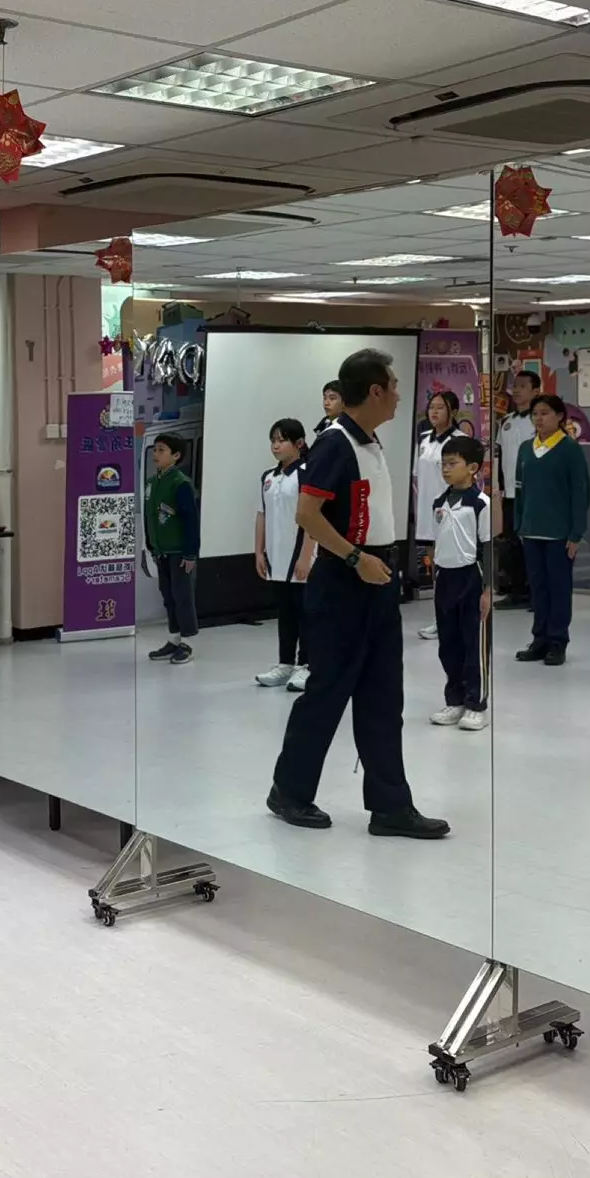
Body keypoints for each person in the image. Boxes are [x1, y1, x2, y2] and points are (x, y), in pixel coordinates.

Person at [268, 348, 449, 839]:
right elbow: (308, 515)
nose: (399, 394)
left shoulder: (370, 441)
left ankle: (390, 806)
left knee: (383, 697)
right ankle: (289, 791)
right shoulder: (334, 443)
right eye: (394, 385)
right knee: (328, 691)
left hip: (378, 578)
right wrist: (354, 558)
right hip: (344, 580)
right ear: (374, 391)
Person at [512, 393, 590, 667]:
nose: (539, 418)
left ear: (559, 417)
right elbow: (519, 489)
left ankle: (558, 641)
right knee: (538, 589)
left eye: (545, 413)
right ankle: (540, 639)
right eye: (535, 413)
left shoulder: (569, 449)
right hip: (531, 531)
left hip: (559, 534)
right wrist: (519, 524)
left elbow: (580, 493)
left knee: (559, 589)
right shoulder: (525, 448)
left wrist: (576, 532)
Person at [427, 435, 492, 732]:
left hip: (471, 577)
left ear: (473, 467)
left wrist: (487, 589)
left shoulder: (480, 503)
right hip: (445, 578)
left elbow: (488, 547)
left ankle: (476, 703)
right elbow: (436, 542)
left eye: (452, 463)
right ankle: (454, 699)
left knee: (473, 644)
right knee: (448, 644)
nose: (446, 469)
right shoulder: (439, 502)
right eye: (443, 463)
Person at [254, 418, 315, 690]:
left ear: (299, 443)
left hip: (301, 557)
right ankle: (285, 663)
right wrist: (259, 552)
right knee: (285, 612)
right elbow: (261, 514)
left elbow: (313, 517)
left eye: (282, 440)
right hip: (276, 557)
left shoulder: (307, 473)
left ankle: (307, 665)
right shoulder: (268, 477)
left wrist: (306, 556)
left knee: (306, 612)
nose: (276, 446)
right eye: (273, 440)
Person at [412, 389, 474, 623]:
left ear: (453, 411)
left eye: (440, 408)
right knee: (436, 567)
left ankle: (457, 616)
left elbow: (467, 479)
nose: (434, 412)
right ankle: (441, 619)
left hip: (453, 511)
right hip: (428, 512)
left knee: (454, 567)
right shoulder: (423, 438)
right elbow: (418, 474)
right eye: (431, 407)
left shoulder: (460, 440)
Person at [143, 432, 200, 664]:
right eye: (155, 449)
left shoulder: (181, 483)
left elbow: (191, 521)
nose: (155, 454)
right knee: (168, 596)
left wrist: (190, 553)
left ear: (176, 456)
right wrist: (151, 545)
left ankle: (188, 643)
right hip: (161, 551)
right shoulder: (152, 482)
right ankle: (174, 639)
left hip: (179, 552)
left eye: (161, 450)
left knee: (182, 596)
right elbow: (150, 516)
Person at [493, 370, 540, 607]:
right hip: (510, 494)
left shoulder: (540, 421)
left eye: (523, 386)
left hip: (534, 494)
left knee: (533, 543)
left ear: (535, 391)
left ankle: (537, 593)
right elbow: (500, 458)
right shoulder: (506, 422)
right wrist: (499, 488)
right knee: (510, 543)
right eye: (515, 385)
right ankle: (517, 591)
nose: (517, 390)